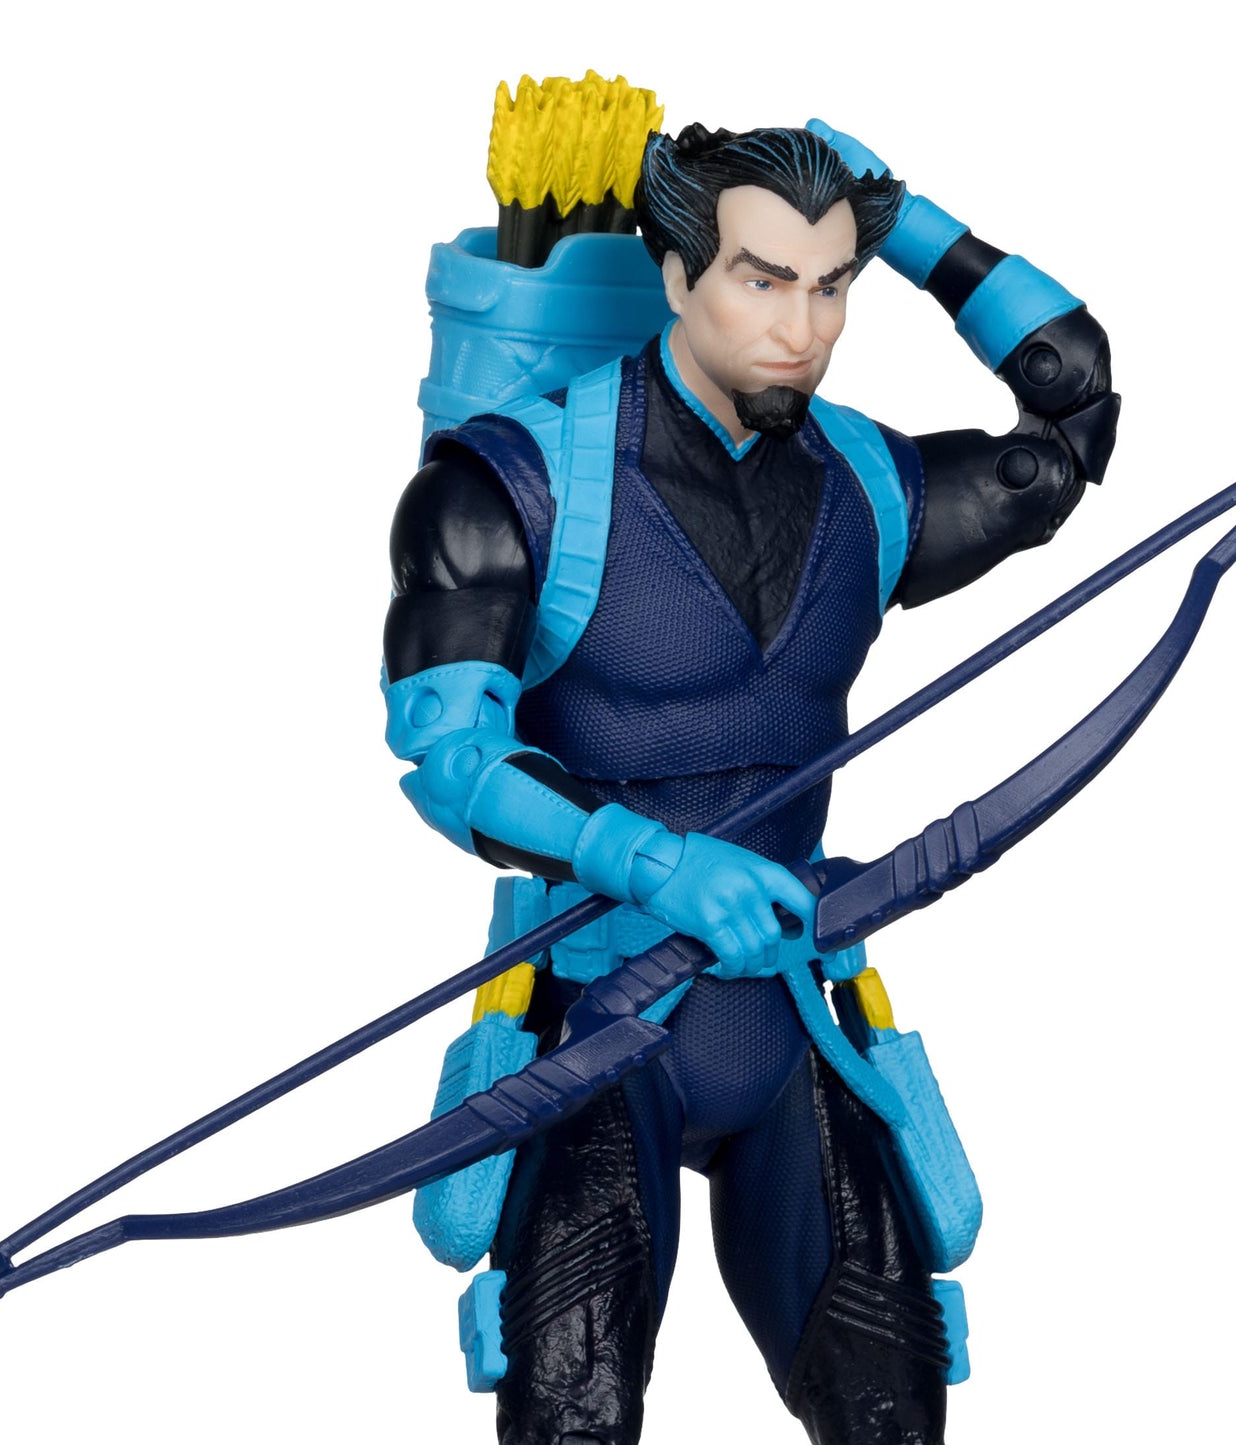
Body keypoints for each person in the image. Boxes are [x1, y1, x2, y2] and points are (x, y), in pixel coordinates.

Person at [384, 122, 1118, 1445]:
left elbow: (1070, 419)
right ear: (673, 275)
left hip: (790, 1011)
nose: (801, 328)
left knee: (892, 1416)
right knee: (572, 1418)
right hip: (589, 1019)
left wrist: (913, 228)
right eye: (761, 279)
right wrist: (653, 862)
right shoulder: (519, 482)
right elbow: (452, 763)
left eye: (831, 286)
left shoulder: (868, 484)